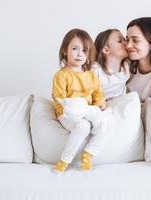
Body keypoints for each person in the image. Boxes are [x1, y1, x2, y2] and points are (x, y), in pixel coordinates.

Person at [51, 28, 107, 172]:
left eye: (84, 50)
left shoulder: (91, 75)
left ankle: (89, 153)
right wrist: (73, 110)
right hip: (68, 113)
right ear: (65, 50)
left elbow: (97, 93)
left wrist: (99, 104)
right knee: (83, 126)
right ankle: (65, 160)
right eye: (75, 49)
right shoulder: (62, 75)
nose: (79, 54)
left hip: (87, 110)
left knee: (104, 122)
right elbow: (59, 99)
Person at [92, 29, 130, 101]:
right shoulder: (96, 70)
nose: (126, 43)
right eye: (120, 41)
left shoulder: (126, 68)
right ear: (106, 50)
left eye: (125, 40)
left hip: (118, 106)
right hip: (100, 106)